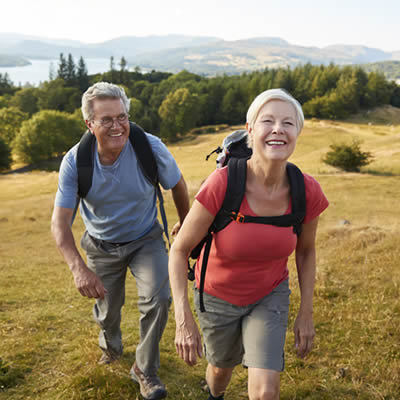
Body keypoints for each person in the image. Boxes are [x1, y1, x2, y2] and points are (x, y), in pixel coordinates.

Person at [168, 88, 329, 400]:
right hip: (216, 295)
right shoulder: (224, 183)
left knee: (267, 391)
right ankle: (215, 393)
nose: (278, 129)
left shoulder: (306, 190)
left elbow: (306, 251)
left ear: (297, 133)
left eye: (288, 123)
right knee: (219, 372)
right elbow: (179, 250)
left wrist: (306, 311)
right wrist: (182, 318)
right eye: (267, 121)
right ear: (250, 130)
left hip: (269, 294)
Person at [51, 82, 189, 400]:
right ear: (90, 124)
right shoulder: (76, 161)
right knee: (108, 311)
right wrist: (78, 268)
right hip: (100, 245)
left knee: (158, 299)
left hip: (146, 239)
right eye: (107, 120)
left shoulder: (149, 146)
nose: (118, 126)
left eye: (122, 117)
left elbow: (178, 184)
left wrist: (186, 225)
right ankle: (111, 346)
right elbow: (59, 223)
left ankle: (144, 369)